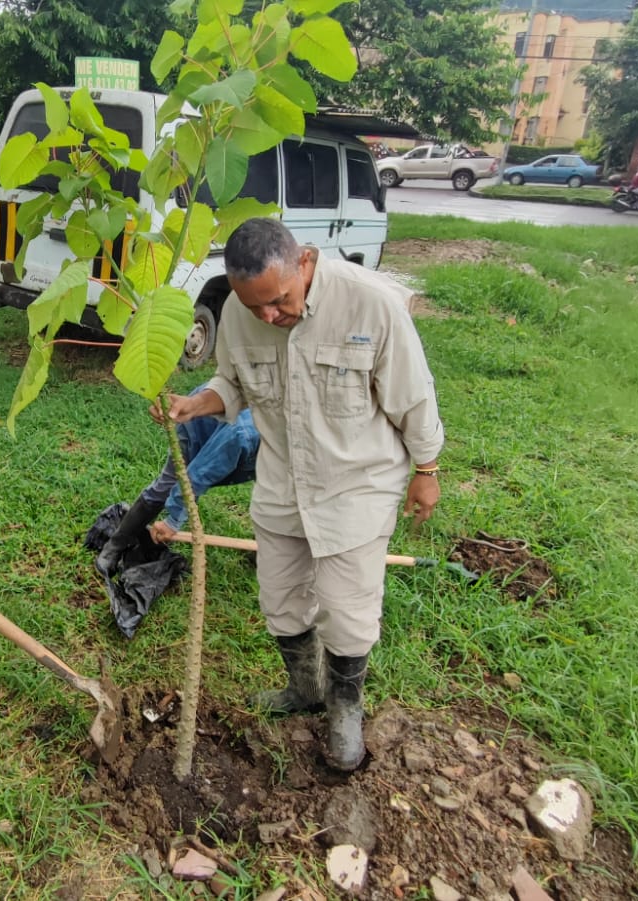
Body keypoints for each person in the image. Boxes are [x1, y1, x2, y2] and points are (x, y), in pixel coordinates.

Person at [159, 218, 444, 772]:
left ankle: (344, 711)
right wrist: (197, 403)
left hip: (357, 482)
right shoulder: (244, 313)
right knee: (281, 600)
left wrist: (427, 467)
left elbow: (412, 394)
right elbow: (233, 382)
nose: (268, 315)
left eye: (278, 300)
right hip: (284, 479)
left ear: (304, 263)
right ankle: (304, 688)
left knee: (346, 610)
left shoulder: (368, 305)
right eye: (253, 305)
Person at [94, 387, 260, 576]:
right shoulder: (244, 434)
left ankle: (263, 551)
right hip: (200, 423)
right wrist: (173, 521)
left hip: (243, 433)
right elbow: (197, 475)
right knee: (167, 485)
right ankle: (114, 547)